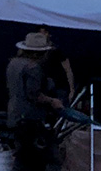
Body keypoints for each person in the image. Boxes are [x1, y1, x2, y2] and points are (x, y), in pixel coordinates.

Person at [6, 32, 63, 170]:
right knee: (38, 159)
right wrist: (52, 101)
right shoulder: (33, 68)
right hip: (30, 119)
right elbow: (34, 95)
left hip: (15, 115)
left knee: (23, 157)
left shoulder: (13, 63)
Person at [39, 26, 75, 105]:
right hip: (43, 86)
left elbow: (68, 69)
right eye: (40, 33)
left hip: (58, 86)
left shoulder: (56, 50)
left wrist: (72, 89)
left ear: (49, 34)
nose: (42, 35)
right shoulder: (36, 52)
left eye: (44, 33)